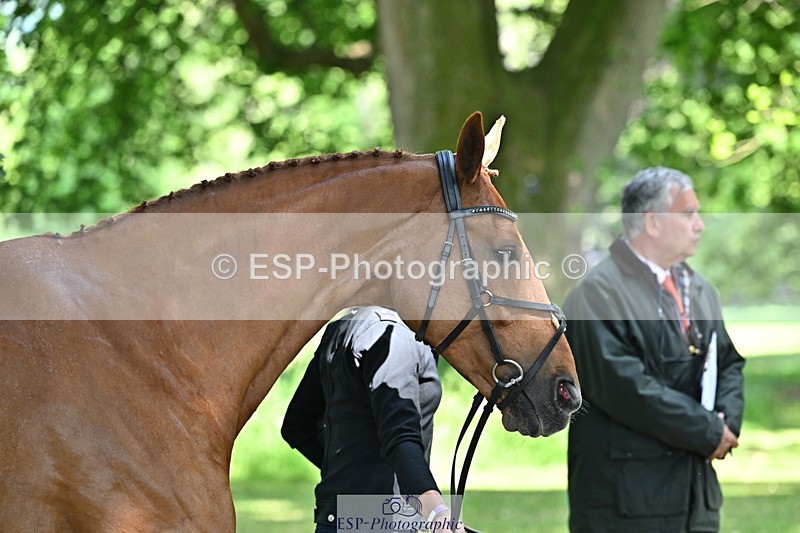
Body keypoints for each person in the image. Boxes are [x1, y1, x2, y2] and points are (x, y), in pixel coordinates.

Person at [563, 167, 745, 532]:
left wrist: (726, 421)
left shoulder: (700, 289)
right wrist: (707, 431)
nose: (700, 225)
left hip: (696, 502)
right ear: (653, 222)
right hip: (626, 506)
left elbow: (727, 363)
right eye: (688, 213)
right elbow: (625, 388)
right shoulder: (598, 294)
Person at [281, 306, 463, 533]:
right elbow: (400, 435)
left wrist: (356, 475)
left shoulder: (342, 326)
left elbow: (298, 426)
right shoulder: (392, 334)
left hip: (334, 521)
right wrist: (438, 513)